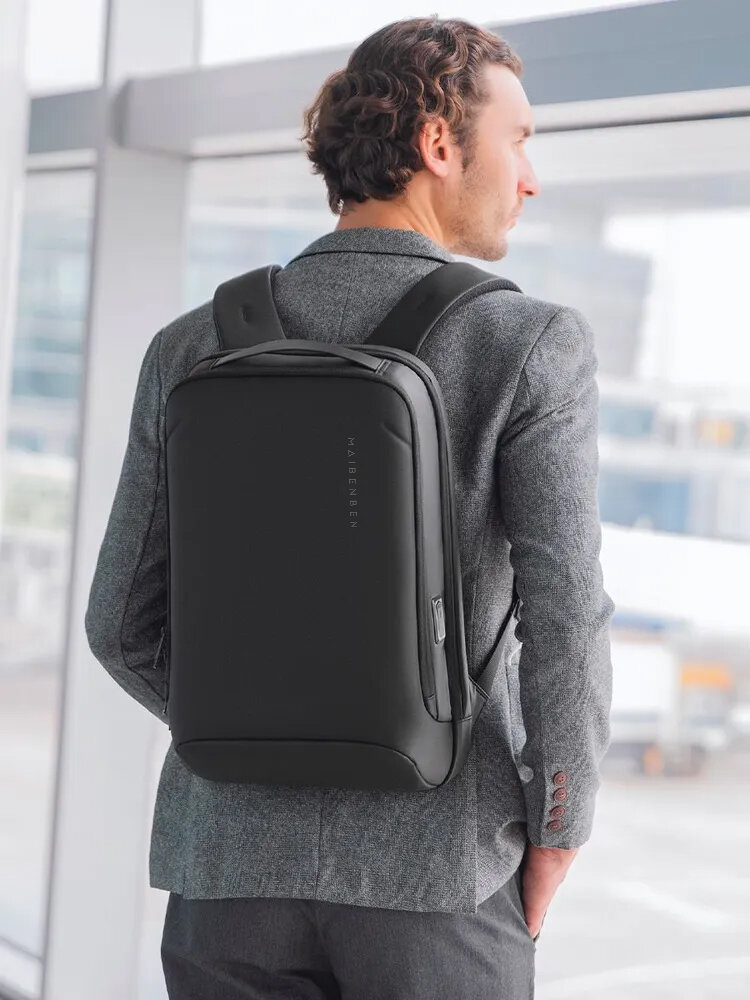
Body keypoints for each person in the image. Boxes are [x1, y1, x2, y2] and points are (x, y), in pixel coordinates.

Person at [85, 15, 615, 1000]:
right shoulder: (528, 344)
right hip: (440, 875)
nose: (531, 177)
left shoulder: (189, 346)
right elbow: (567, 620)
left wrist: (262, 727)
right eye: (519, 140)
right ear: (439, 144)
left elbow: (120, 626)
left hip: (225, 875)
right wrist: (558, 826)